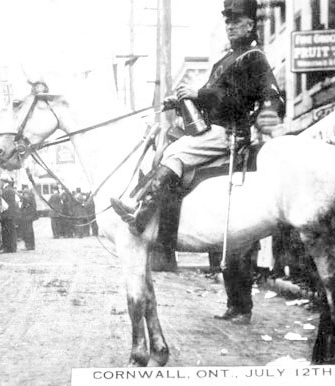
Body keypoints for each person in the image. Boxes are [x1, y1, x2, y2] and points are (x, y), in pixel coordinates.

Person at [113, 0, 284, 326]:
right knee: (167, 148)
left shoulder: (254, 58)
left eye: (237, 22)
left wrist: (200, 92)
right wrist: (181, 100)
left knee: (175, 154)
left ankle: (142, 212)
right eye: (228, 22)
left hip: (229, 132)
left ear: (250, 26)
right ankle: (156, 224)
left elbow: (248, 97)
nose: (230, 26)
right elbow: (210, 100)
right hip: (213, 127)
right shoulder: (225, 59)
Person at [0, 177, 18, 253]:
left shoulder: (5, 191)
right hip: (11, 214)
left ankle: (7, 248)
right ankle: (12, 247)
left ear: (4, 182)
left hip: (6, 214)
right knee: (12, 231)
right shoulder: (11, 189)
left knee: (6, 232)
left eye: (1, 181)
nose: (0, 183)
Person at [19, 184, 37, 250]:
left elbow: (26, 201)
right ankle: (32, 245)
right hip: (31, 214)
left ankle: (28, 246)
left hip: (26, 215)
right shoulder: (31, 192)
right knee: (30, 230)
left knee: (26, 231)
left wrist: (22, 208)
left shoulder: (25, 192)